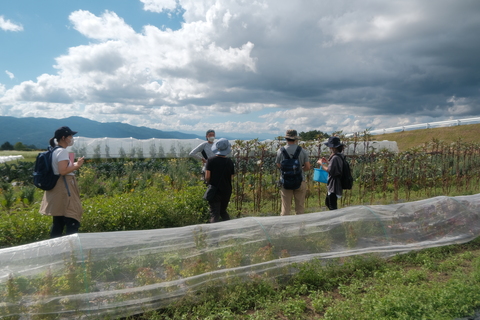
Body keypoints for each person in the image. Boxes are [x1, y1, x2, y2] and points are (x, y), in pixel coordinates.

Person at [39, 126, 85, 238]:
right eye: (70, 136)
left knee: (58, 221)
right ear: (64, 138)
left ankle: (56, 250)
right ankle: (71, 249)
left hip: (57, 188)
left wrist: (73, 165)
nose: (72, 139)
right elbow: (63, 171)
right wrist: (77, 166)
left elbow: (59, 169)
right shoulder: (63, 151)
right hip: (65, 188)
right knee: (72, 219)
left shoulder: (54, 151)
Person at [275, 129, 311, 215]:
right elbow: (308, 167)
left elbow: (278, 164)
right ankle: (300, 227)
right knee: (300, 207)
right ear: (296, 139)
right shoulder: (302, 151)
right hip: (300, 180)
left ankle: (284, 226)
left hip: (285, 181)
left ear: (286, 139)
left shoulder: (280, 151)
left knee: (285, 208)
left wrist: (287, 170)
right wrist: (299, 169)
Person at [205, 138, 235, 223]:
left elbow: (207, 177)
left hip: (215, 190)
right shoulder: (229, 162)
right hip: (227, 190)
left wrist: (209, 183)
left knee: (215, 214)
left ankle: (214, 234)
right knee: (223, 211)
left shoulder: (210, 160)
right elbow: (231, 177)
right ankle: (230, 230)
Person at [317, 136, 344, 210]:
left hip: (334, 184)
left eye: (330, 147)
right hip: (336, 183)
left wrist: (321, 164)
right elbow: (335, 167)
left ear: (333, 148)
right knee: (328, 202)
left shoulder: (335, 157)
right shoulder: (340, 156)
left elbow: (330, 170)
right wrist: (328, 162)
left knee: (332, 205)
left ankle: (335, 221)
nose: (330, 149)